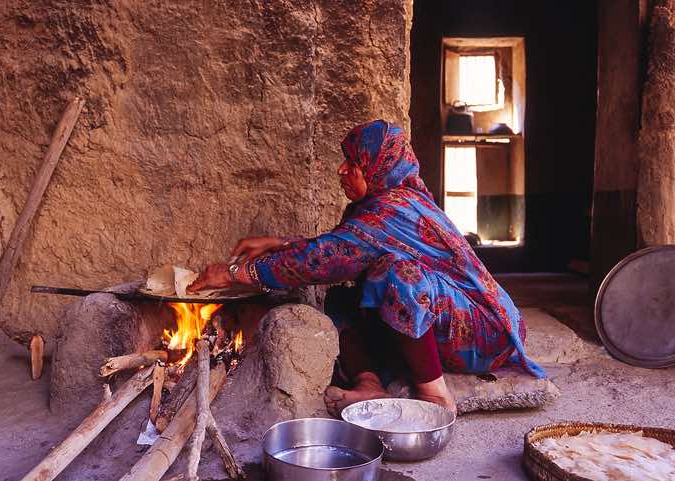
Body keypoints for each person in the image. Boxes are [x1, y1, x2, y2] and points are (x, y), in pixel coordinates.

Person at [188, 119, 544, 415]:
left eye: (353, 163)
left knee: (399, 276)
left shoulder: (395, 208)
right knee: (344, 299)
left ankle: (436, 398)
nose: (342, 170)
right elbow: (342, 248)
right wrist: (280, 244)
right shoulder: (379, 207)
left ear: (377, 167)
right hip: (451, 326)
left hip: (487, 333)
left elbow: (326, 259)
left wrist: (233, 274)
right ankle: (369, 383)